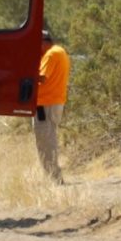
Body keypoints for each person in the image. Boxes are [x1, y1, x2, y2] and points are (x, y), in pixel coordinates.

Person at [34, 29, 71, 183]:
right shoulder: (60, 52)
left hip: (45, 104)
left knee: (45, 141)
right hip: (54, 102)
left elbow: (41, 77)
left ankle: (54, 178)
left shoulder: (50, 54)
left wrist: (21, 73)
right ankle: (52, 176)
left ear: (44, 42)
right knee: (49, 138)